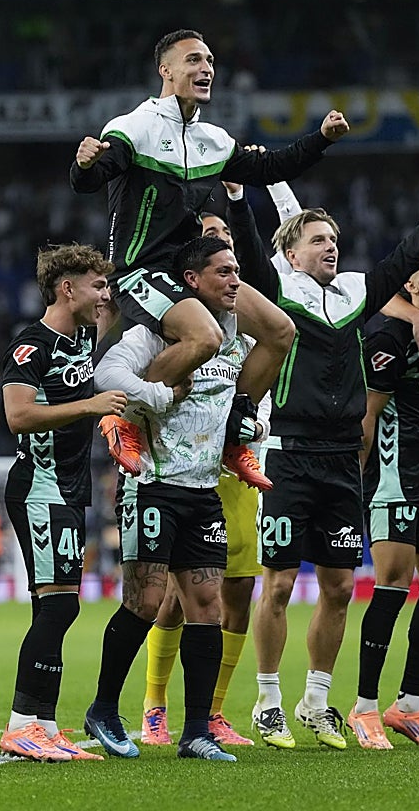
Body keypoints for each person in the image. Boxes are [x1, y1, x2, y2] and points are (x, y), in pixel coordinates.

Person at [230, 153, 419, 750]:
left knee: (341, 586)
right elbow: (249, 257)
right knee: (279, 584)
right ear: (292, 254)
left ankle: (317, 700)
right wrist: (239, 200)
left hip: (343, 460)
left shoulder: (352, 293)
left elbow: (406, 254)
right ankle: (267, 699)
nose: (331, 248)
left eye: (334, 240)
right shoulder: (280, 291)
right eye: (318, 240)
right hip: (288, 454)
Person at [71, 28, 344, 483]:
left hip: (190, 269)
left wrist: (321, 138)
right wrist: (83, 165)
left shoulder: (213, 140)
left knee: (280, 331)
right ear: (166, 70)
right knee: (207, 337)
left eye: (210, 61)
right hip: (140, 270)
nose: (206, 69)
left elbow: (269, 168)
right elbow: (96, 175)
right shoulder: (133, 127)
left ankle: (235, 433)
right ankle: (125, 418)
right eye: (194, 60)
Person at [84, 233, 277, 763]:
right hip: (152, 484)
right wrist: (156, 394)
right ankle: (104, 709)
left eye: (237, 271)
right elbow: (107, 374)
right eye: (223, 272)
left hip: (203, 488)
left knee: (207, 607)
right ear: (191, 280)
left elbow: (264, 376)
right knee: (145, 602)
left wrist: (250, 427)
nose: (235, 281)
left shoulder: (235, 336)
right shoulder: (156, 332)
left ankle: (196, 733)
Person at [141, 178, 299, 750]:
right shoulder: (174, 320)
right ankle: (155, 705)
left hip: (237, 467)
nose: (228, 257)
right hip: (183, 467)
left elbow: (274, 344)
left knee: (236, 592)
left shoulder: (246, 319)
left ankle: (211, 712)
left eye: (230, 246)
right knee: (178, 596)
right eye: (214, 244)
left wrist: (249, 425)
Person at [0, 243, 125, 763]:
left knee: (52, 606)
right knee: (60, 604)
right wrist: (90, 405)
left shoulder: (83, 337)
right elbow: (18, 416)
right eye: (96, 285)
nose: (104, 295)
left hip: (69, 488)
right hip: (40, 485)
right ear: (66, 289)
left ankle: (44, 724)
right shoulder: (32, 345)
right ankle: (21, 724)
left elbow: (117, 309)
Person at [344, 243, 419, 750]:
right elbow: (367, 418)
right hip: (394, 482)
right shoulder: (388, 339)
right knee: (392, 586)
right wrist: (355, 485)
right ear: (410, 284)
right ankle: (364, 706)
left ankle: (409, 706)